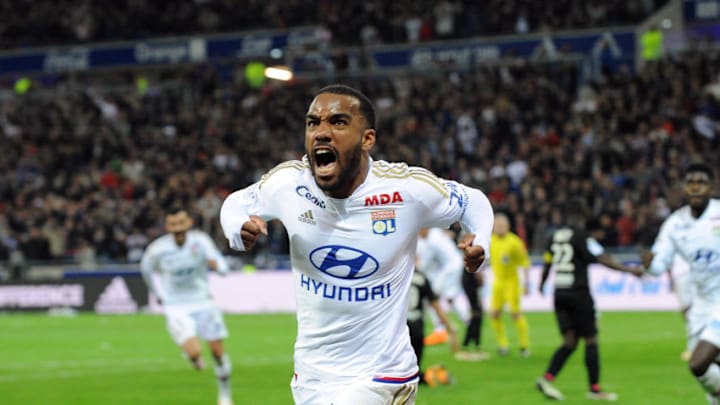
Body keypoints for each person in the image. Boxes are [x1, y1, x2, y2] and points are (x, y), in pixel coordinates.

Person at [219, 84, 494, 405]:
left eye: (337, 122)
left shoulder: (406, 189)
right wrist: (236, 227)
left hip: (384, 374)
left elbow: (472, 201)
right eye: (313, 123)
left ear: (368, 139)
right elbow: (238, 202)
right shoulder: (289, 184)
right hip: (312, 375)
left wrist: (481, 239)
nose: (321, 132)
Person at [536, 198, 642, 402]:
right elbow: (603, 258)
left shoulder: (554, 237)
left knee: (570, 342)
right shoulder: (582, 236)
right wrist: (630, 270)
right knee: (590, 340)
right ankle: (595, 389)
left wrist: (542, 283)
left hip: (559, 293)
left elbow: (548, 263)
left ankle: (547, 378)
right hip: (578, 293)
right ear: (581, 217)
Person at [641, 162, 720, 404]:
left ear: (711, 187)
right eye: (691, 183)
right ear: (684, 188)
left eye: (701, 183)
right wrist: (649, 263)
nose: (695, 188)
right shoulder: (675, 224)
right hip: (702, 305)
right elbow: (658, 265)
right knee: (707, 378)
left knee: (698, 363)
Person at [140, 206, 234, 405]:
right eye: (173, 224)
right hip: (176, 306)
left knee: (217, 352)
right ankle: (192, 358)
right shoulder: (158, 249)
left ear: (189, 223)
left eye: (181, 223)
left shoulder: (200, 241)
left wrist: (221, 268)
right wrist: (157, 294)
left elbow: (214, 257)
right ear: (167, 227)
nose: (178, 228)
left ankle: (225, 394)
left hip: (203, 301)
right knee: (194, 352)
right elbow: (145, 270)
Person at [416, 228, 470, 347]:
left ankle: (440, 330)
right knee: (450, 297)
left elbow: (426, 260)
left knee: (432, 297)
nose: (419, 233)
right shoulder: (435, 234)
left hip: (450, 268)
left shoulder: (433, 240)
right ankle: (466, 319)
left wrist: (418, 269)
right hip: (451, 266)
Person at [488, 213, 531, 357]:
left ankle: (524, 346)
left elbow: (524, 262)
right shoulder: (490, 240)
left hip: (511, 282)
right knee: (494, 314)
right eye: (497, 226)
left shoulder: (514, 242)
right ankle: (503, 345)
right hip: (498, 282)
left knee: (515, 314)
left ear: (508, 226)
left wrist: (526, 283)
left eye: (502, 225)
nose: (499, 228)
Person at [407, 268, 458, 386]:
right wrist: (449, 327)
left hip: (400, 325)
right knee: (413, 367)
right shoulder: (422, 277)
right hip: (417, 324)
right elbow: (435, 304)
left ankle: (429, 376)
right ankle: (430, 376)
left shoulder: (395, 274)